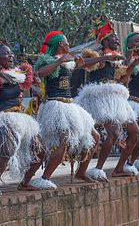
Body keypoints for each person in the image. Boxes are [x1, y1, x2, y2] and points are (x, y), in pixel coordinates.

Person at [75, 14, 139, 181]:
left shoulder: (116, 59)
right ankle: (97, 169)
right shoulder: (97, 55)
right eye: (113, 37)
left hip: (115, 100)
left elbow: (123, 82)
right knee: (112, 134)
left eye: (117, 37)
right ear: (104, 41)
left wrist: (131, 66)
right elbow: (82, 64)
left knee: (136, 133)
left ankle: (119, 168)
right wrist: (106, 57)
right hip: (99, 99)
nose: (117, 39)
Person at [0, 41, 44, 194]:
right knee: (7, 149)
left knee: (41, 150)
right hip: (2, 118)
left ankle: (25, 182)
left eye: (11, 53)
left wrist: (36, 85)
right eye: (5, 53)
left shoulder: (17, 74)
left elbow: (29, 85)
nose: (10, 55)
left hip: (21, 118)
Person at [34, 31, 100, 187]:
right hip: (55, 106)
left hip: (70, 105)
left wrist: (104, 58)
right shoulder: (47, 60)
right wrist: (60, 61)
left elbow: (86, 64)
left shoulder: (68, 62)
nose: (69, 44)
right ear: (60, 44)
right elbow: (40, 72)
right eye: (67, 42)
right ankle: (44, 178)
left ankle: (81, 172)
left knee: (95, 137)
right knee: (63, 143)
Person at [123, 32, 139, 170]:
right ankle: (125, 164)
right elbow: (124, 78)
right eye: (137, 41)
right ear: (129, 44)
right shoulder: (125, 60)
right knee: (137, 134)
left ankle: (131, 162)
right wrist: (131, 57)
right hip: (130, 103)